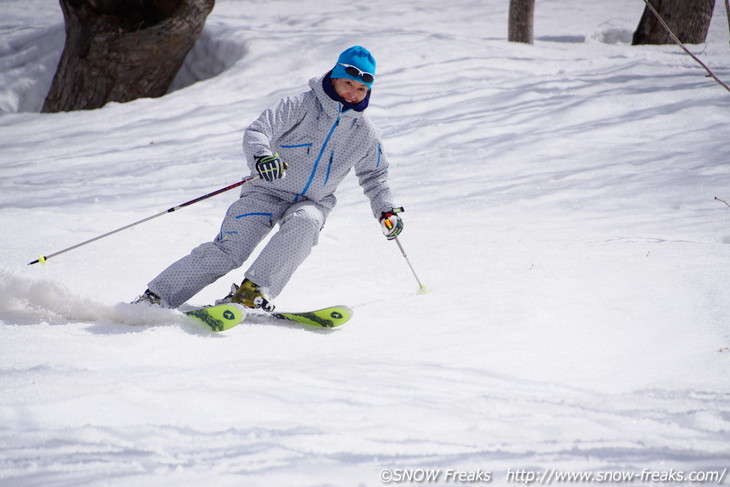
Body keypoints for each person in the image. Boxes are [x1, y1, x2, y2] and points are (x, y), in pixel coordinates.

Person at [134, 46, 404, 311]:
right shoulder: (301, 105)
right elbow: (258, 131)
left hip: (314, 201)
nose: (354, 93)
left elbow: (375, 176)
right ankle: (157, 297)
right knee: (229, 250)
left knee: (307, 222)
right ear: (334, 77)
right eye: (348, 83)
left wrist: (386, 211)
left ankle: (253, 292)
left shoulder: (365, 132)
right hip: (266, 191)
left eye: (362, 89)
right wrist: (262, 157)